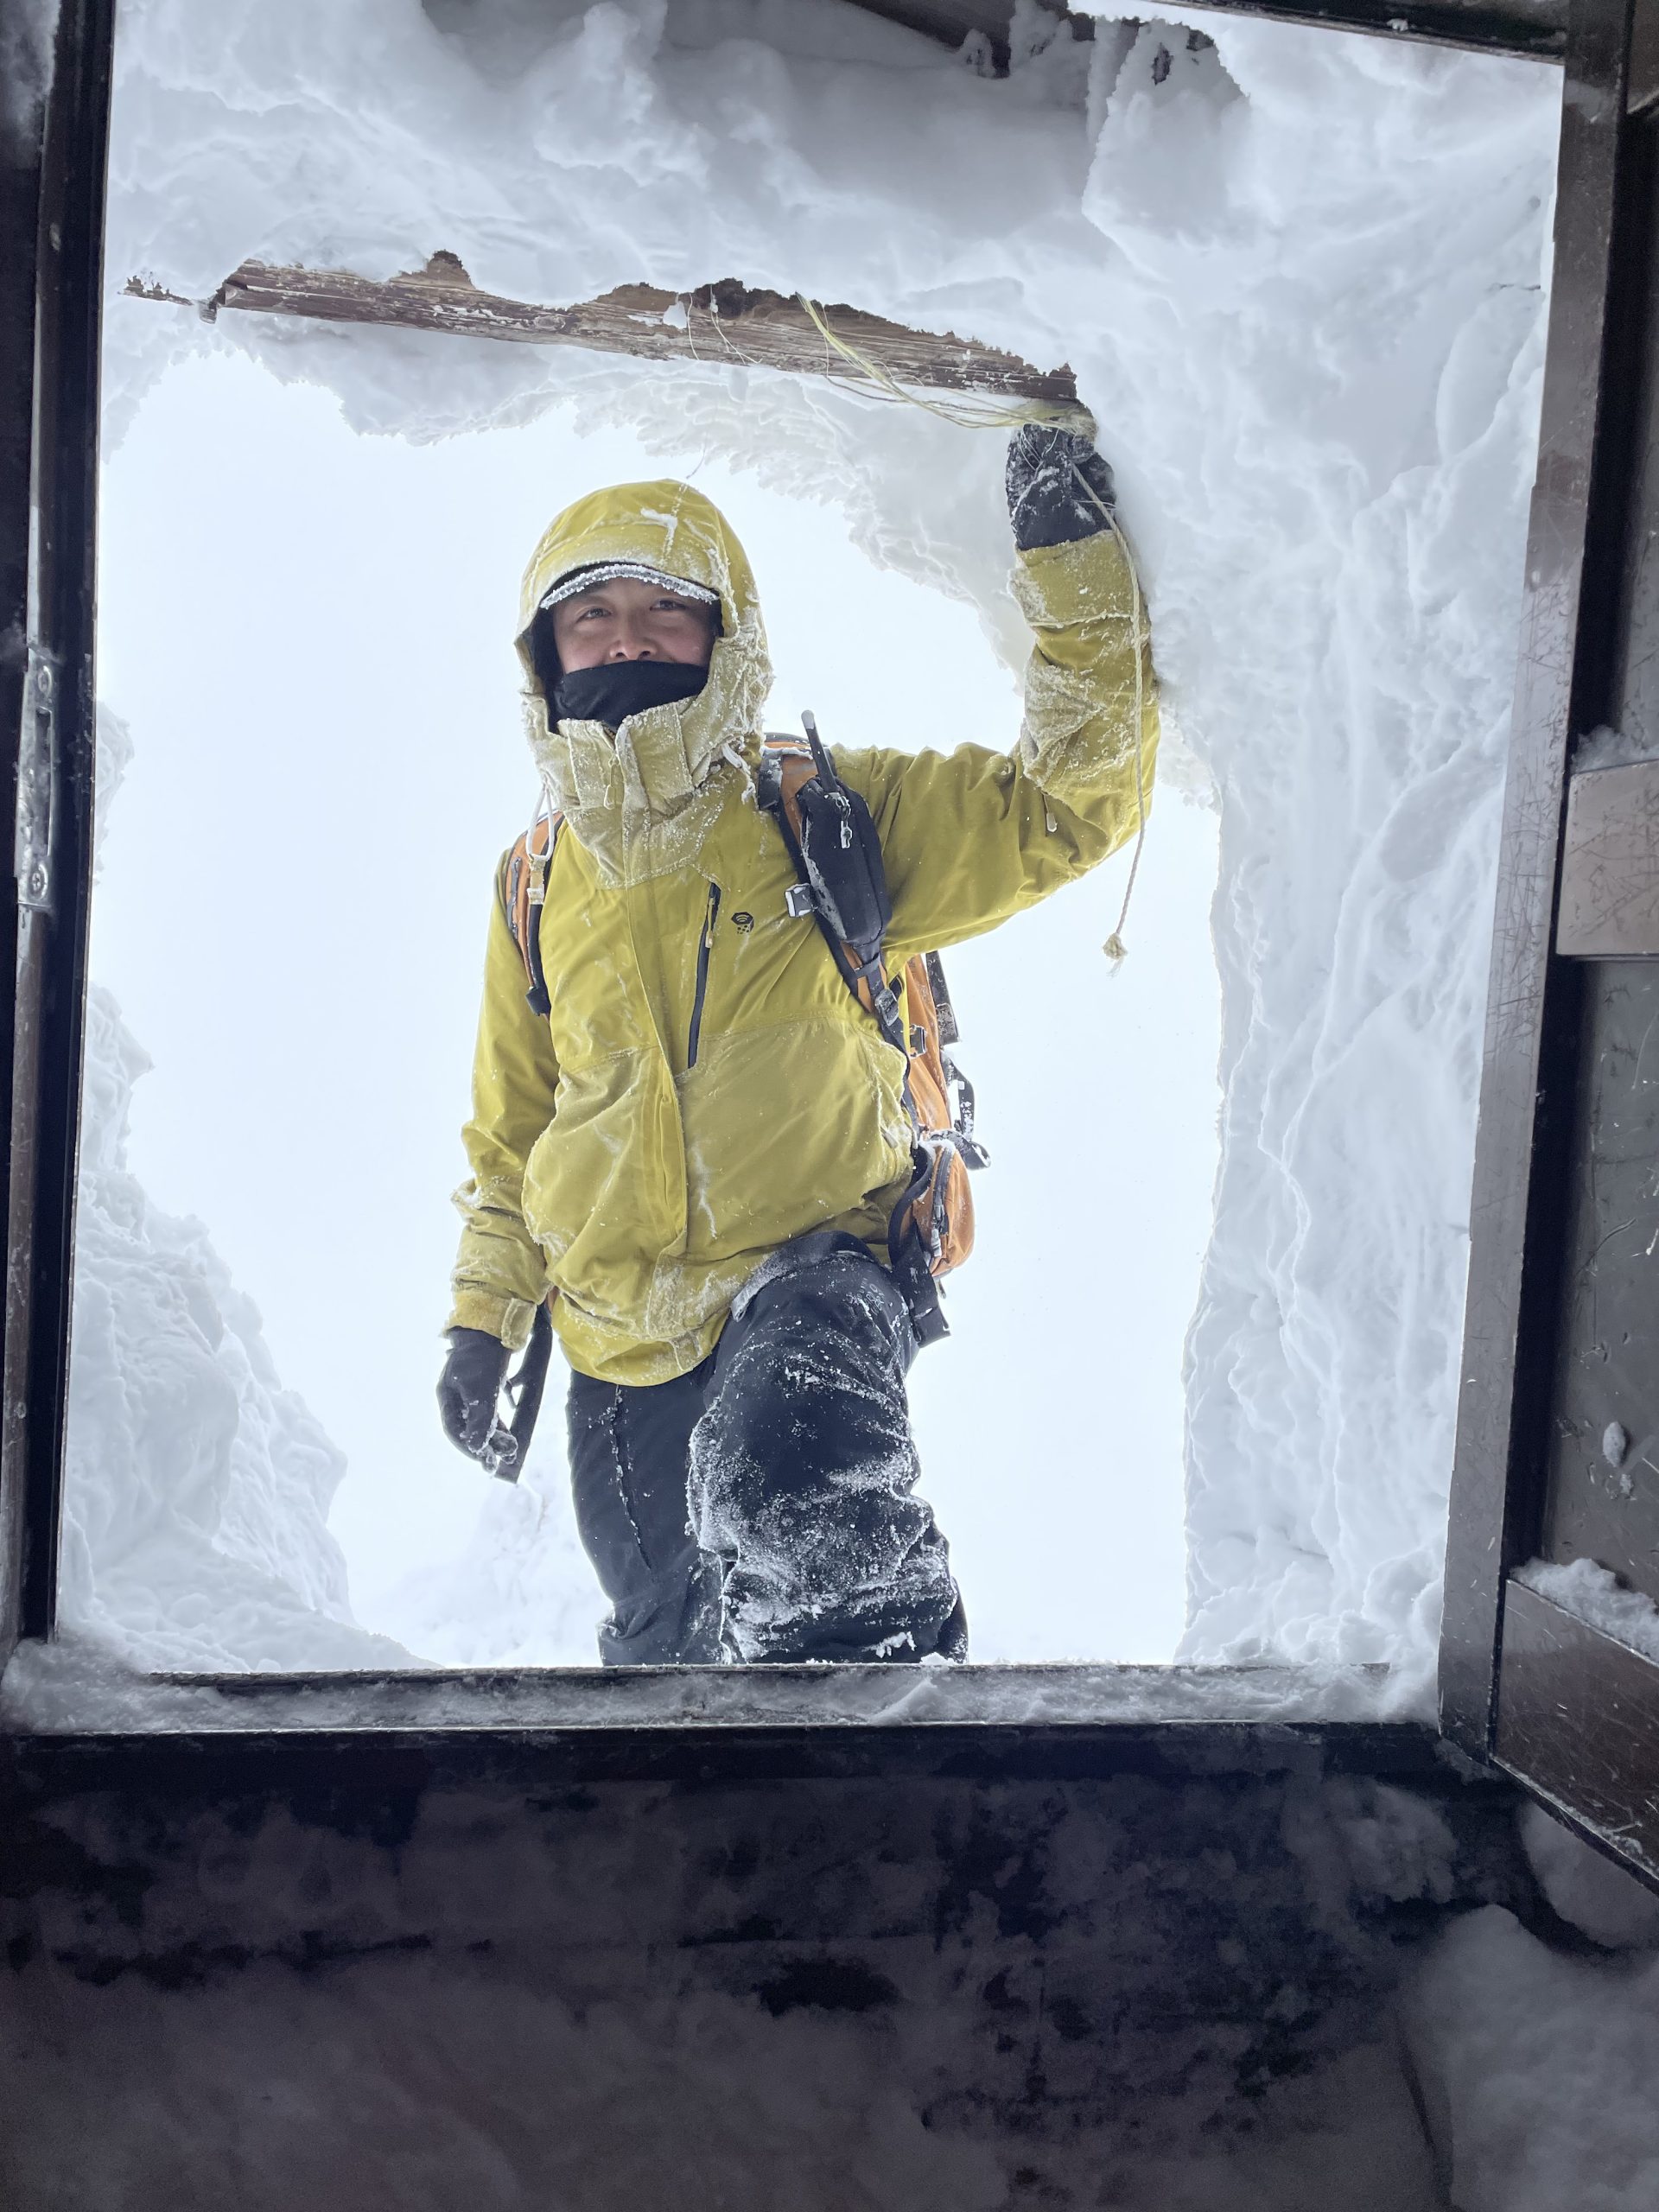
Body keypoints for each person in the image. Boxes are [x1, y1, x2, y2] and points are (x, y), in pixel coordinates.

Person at [436, 424, 1158, 1666]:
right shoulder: (536, 882)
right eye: (591, 615)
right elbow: (515, 1133)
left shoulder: (818, 810)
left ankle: (896, 1740)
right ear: (545, 653)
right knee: (675, 1658)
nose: (626, 639)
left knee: (800, 1499)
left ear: (725, 634)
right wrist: (483, 1317)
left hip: (815, 1270)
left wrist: (1075, 573)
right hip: (616, 1334)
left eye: (665, 609)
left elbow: (1061, 808)